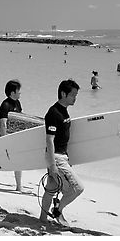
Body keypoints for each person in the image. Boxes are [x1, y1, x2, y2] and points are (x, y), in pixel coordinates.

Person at [40, 79, 84, 227]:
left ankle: (42, 219)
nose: (75, 98)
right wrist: (53, 165)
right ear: (63, 94)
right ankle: (58, 210)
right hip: (56, 157)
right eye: (73, 95)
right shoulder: (53, 113)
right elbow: (49, 140)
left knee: (51, 188)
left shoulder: (63, 110)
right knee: (77, 188)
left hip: (60, 156)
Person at [0, 79, 23, 192]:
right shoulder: (5, 105)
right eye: (18, 91)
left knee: (7, 159)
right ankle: (19, 187)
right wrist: (4, 139)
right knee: (15, 159)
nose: (20, 93)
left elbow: (20, 120)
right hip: (7, 137)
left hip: (15, 136)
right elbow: (3, 123)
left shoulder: (18, 103)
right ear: (12, 93)